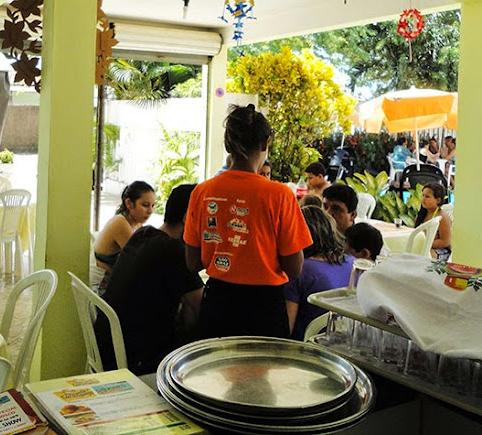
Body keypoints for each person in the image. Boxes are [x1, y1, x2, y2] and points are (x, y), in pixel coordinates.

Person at [184, 104, 312, 339]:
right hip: (264, 310)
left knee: (215, 372)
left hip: (217, 305)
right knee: (262, 375)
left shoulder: (202, 192)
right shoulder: (280, 195)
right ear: (265, 144)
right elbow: (294, 268)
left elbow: (193, 263)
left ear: (227, 144)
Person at [95, 184, 204, 375]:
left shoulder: (143, 235)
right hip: (135, 357)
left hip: (109, 343)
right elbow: (199, 306)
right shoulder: (174, 250)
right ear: (189, 218)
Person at [284, 206, 355, 340]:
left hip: (308, 349)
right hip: (344, 344)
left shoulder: (299, 272)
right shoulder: (353, 264)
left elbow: (285, 329)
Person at [94, 181, 155, 275]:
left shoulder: (136, 224)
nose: (150, 211)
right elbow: (141, 261)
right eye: (145, 205)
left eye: (153, 205)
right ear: (129, 203)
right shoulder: (119, 223)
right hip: (102, 286)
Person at [414, 182, 452, 261]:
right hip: (423, 245)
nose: (423, 199)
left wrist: (425, 244)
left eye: (427, 197)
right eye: (423, 195)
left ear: (438, 200)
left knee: (423, 255)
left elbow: (445, 241)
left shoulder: (443, 217)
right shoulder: (422, 214)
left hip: (440, 250)